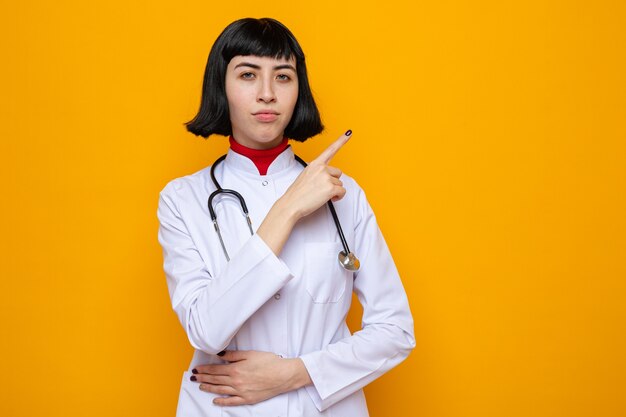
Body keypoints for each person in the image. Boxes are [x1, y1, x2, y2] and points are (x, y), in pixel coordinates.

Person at [157, 17, 415, 417]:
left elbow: (395, 331)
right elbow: (207, 330)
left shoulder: (344, 197)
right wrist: (289, 208)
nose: (266, 94)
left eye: (282, 77)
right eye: (247, 75)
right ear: (221, 87)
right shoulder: (183, 200)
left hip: (326, 407)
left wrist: (295, 374)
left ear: (299, 91)